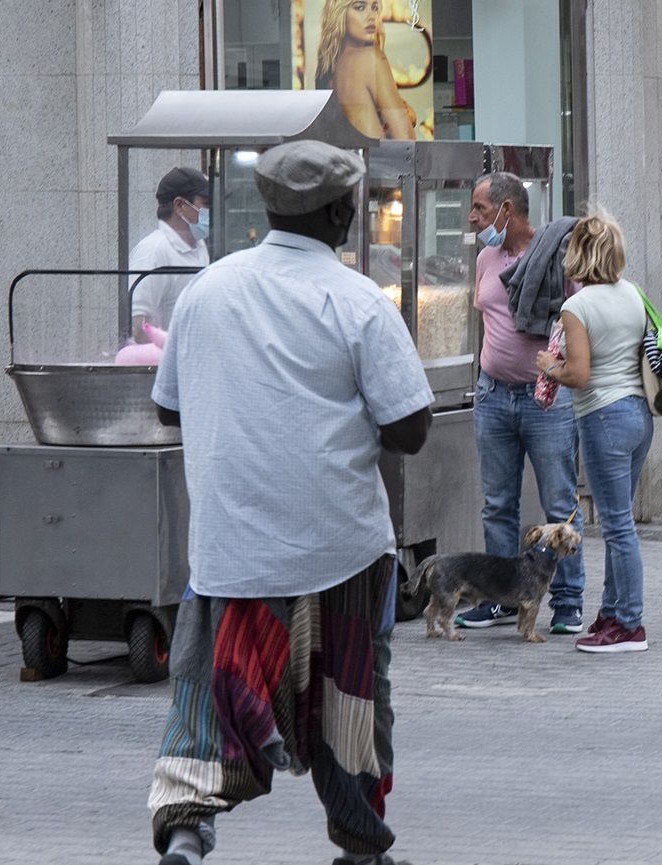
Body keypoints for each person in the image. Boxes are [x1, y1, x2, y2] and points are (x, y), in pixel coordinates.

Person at [148, 140, 433, 865]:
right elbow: (411, 429)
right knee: (350, 698)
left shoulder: (208, 289)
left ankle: (185, 826)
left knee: (205, 692)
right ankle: (361, 844)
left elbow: (169, 411)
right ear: (340, 211)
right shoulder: (357, 298)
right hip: (338, 548)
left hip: (230, 548)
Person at [452, 172, 588, 635]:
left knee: (558, 501)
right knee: (497, 503)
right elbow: (485, 320)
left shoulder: (557, 257)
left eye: (481, 208)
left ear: (508, 210)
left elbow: (579, 321)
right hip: (492, 395)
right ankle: (500, 599)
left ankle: (567, 603)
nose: (473, 217)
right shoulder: (486, 258)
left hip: (544, 399)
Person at [539, 213, 657, 651]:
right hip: (638, 416)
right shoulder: (633, 294)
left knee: (618, 526)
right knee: (619, 520)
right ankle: (611, 612)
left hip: (602, 417)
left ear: (579, 254)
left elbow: (580, 374)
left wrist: (548, 366)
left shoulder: (577, 307)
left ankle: (629, 624)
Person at [129, 167, 212, 338]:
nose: (211, 212)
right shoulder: (153, 251)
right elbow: (138, 328)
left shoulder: (199, 246)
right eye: (206, 204)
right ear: (180, 206)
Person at [315, 0, 416, 139]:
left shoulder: (327, 71)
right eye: (360, 7)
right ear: (340, 13)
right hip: (375, 160)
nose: (371, 16)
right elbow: (407, 144)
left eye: (374, 7)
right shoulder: (370, 59)